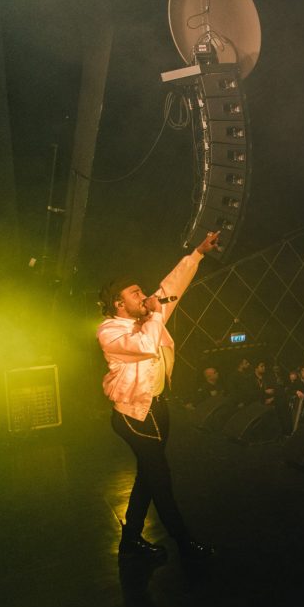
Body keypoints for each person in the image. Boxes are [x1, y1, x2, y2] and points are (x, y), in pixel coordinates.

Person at [96, 230, 220, 560]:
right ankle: (186, 545)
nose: (144, 296)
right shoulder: (109, 331)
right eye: (135, 293)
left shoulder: (148, 316)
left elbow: (171, 287)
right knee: (160, 480)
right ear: (119, 303)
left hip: (158, 407)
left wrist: (197, 254)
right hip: (134, 415)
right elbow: (146, 346)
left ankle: (130, 541)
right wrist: (153, 313)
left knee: (148, 478)